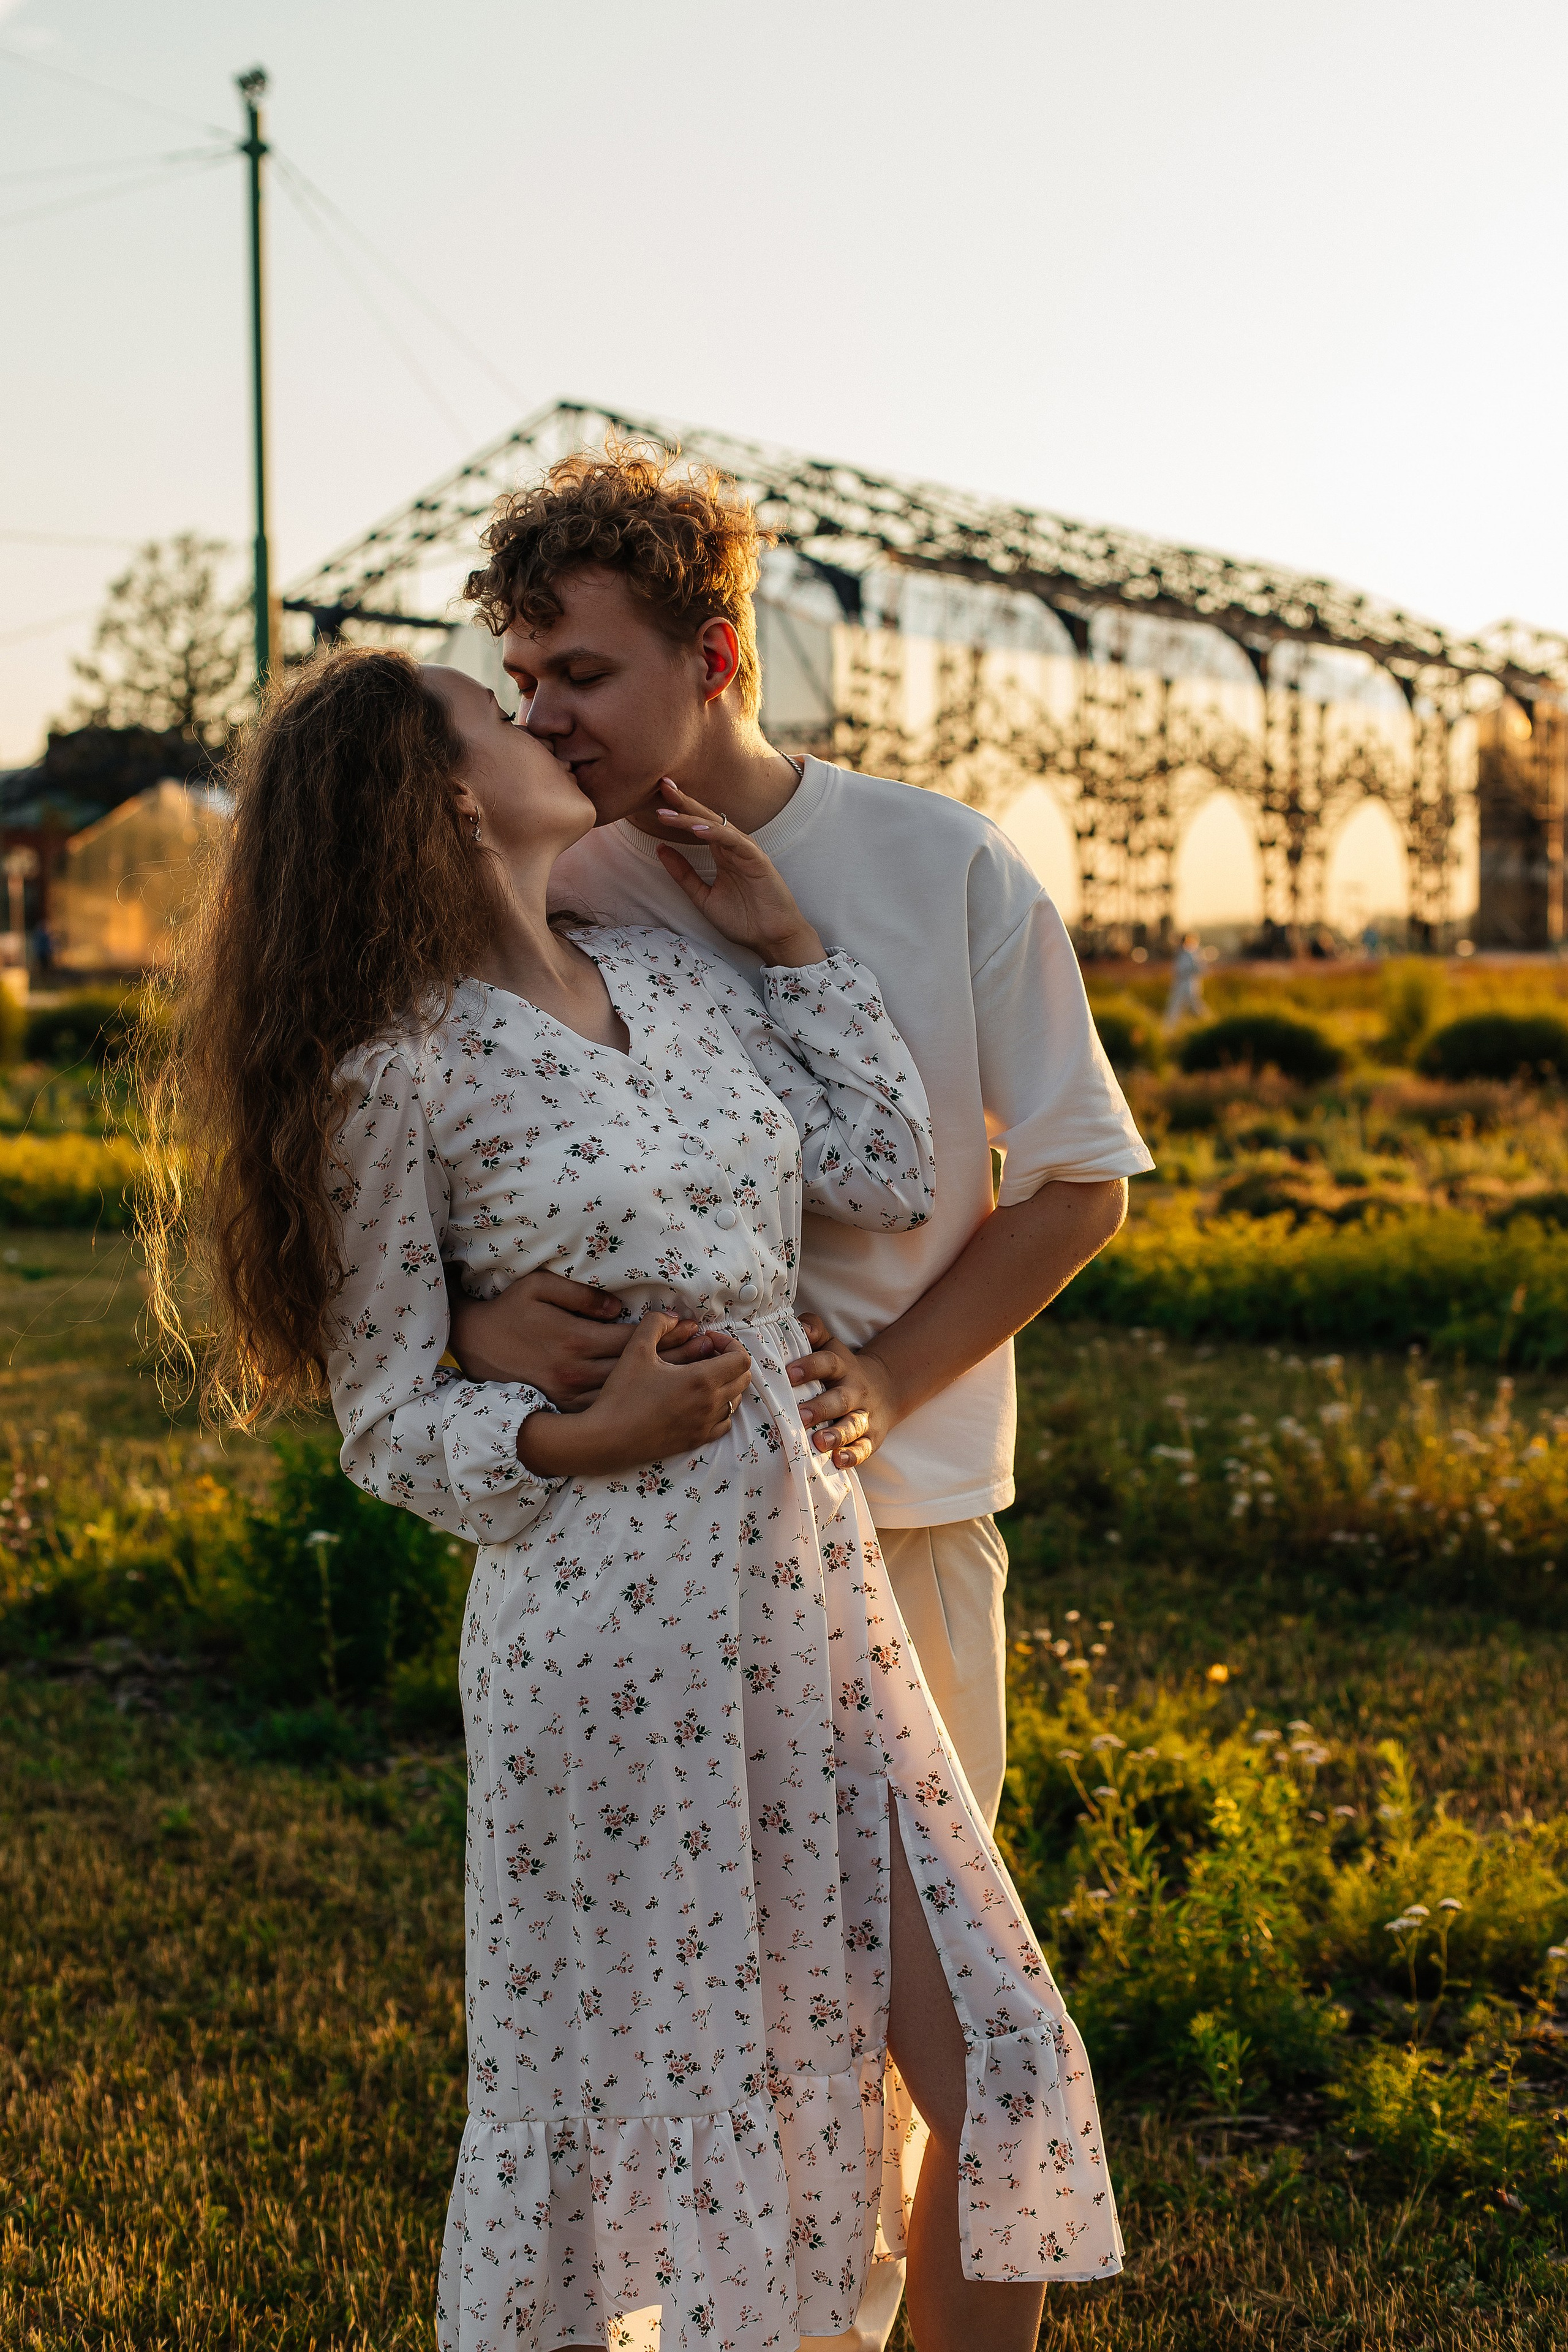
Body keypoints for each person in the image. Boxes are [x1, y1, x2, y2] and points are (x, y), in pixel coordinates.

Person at [145, 647, 1123, 2352]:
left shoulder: (664, 975)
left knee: (1000, 2044)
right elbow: (381, 1420)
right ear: (448, 797)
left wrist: (783, 942)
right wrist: (582, 1436)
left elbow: (889, 1172)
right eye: (497, 710)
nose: (537, 725)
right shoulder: (400, 1071)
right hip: (600, 1639)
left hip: (815, 1604)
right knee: (645, 2142)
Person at [447, 442, 1153, 1866]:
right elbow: (444, 1160)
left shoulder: (939, 860)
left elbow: (1082, 1182)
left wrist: (890, 1379)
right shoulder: (553, 882)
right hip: (646, 1518)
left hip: (903, 1505)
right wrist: (473, 1319)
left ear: (710, 655)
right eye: (521, 681)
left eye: (578, 675)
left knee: (922, 1958)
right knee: (713, 1976)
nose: (541, 717)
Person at [1164, 931, 1207, 1025]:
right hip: (1180, 983)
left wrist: (1188, 971)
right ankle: (1169, 1028)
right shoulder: (1180, 953)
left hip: (1190, 983)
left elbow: (1201, 969)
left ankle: (1208, 1023)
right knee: (1174, 1006)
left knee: (1196, 1006)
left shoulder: (1192, 953)